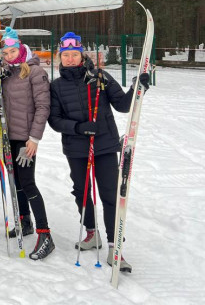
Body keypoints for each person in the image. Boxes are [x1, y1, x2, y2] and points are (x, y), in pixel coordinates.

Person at [48, 31, 150, 272]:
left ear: (82, 55)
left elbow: (124, 106)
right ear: (59, 58)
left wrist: (138, 88)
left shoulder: (100, 77)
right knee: (82, 192)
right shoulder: (56, 86)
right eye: (66, 55)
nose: (70, 59)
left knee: (110, 194)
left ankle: (115, 247)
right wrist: (79, 128)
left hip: (104, 145)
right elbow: (54, 120)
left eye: (74, 54)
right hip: (76, 147)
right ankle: (92, 233)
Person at [0, 27, 53, 260]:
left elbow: (43, 107)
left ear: (21, 49)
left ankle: (45, 233)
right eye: (5, 53)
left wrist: (34, 139)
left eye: (12, 51)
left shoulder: (35, 72)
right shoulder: (5, 73)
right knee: (15, 181)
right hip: (7, 136)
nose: (9, 56)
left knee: (28, 183)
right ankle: (24, 221)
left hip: (26, 140)